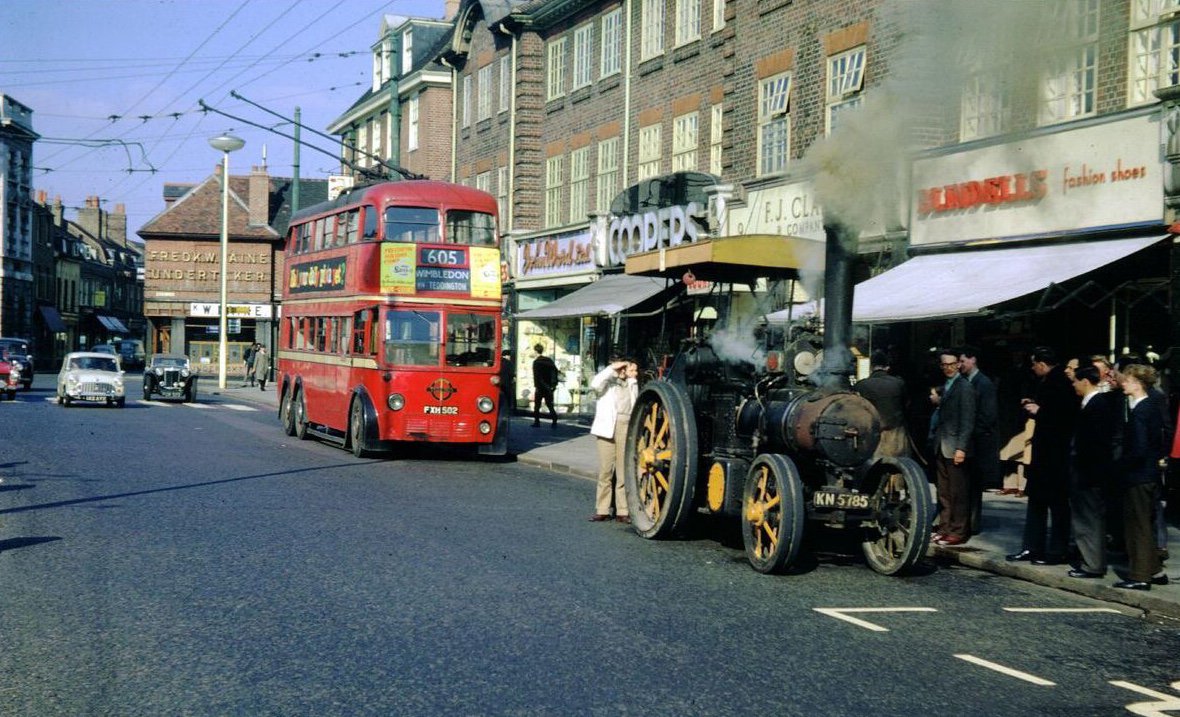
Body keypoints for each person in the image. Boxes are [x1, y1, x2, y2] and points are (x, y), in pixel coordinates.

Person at [1007, 347, 1078, 565]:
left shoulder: (1059, 383)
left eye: (1034, 363)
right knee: (1038, 502)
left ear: (1042, 363)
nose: (1032, 367)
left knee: (1056, 505)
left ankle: (1055, 550)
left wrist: (1040, 410)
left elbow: (1064, 416)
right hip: (1045, 454)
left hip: (1055, 455)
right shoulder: (1049, 381)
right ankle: (1033, 547)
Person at [1113, 364, 1169, 590]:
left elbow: (1139, 447)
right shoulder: (1149, 407)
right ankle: (1154, 570)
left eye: (1126, 380)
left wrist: (1122, 468)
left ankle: (1140, 576)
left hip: (1138, 475)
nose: (1122, 382)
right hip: (1149, 473)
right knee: (1144, 521)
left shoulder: (1140, 411)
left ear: (1137, 383)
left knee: (1137, 525)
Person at [1066, 365, 1123, 579]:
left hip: (1089, 473)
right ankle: (1090, 560)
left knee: (1088, 520)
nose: (1073, 385)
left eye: (1075, 381)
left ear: (1085, 381)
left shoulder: (1098, 405)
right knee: (1088, 519)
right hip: (1086, 472)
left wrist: (1086, 470)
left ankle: (1092, 564)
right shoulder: (1091, 404)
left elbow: (1097, 444)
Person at [929, 349, 976, 546]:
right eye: (944, 364)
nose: (947, 368)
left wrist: (961, 448)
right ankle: (945, 527)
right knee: (944, 492)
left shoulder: (964, 387)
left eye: (951, 364)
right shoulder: (947, 386)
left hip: (955, 446)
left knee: (958, 493)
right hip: (942, 445)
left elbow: (967, 420)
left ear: (958, 364)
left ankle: (958, 531)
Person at [588, 359, 639, 524]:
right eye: (632, 370)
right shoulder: (607, 383)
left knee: (623, 471)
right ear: (622, 369)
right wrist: (612, 368)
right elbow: (594, 384)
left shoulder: (632, 384)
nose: (635, 373)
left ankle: (623, 511)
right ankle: (602, 509)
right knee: (605, 471)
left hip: (626, 427)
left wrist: (631, 380)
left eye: (636, 370)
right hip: (606, 428)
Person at [960, 346, 999, 534]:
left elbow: (988, 415)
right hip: (969, 441)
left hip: (978, 441)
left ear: (972, 359)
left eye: (962, 361)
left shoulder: (984, 383)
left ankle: (972, 524)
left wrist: (970, 432)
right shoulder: (967, 381)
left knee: (974, 487)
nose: (960, 365)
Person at [852, 349, 910, 458]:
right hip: (896, 435)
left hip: (872, 436)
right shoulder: (899, 383)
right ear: (887, 367)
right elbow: (906, 405)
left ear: (871, 367)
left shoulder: (861, 385)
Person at [531, 343, 558, 428]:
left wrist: (538, 385)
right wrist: (552, 385)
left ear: (535, 351)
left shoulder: (536, 362)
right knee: (549, 404)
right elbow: (555, 372)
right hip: (549, 387)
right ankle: (554, 419)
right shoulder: (549, 361)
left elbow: (537, 376)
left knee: (537, 405)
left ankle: (537, 422)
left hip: (540, 387)